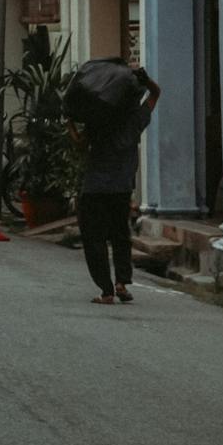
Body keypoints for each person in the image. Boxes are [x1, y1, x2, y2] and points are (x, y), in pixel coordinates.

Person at [72, 64, 160, 305]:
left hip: (95, 187)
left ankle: (106, 290)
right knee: (121, 235)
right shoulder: (134, 119)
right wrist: (146, 80)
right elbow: (155, 94)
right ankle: (122, 282)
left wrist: (69, 122)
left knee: (95, 239)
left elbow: (80, 144)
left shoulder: (97, 119)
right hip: (121, 187)